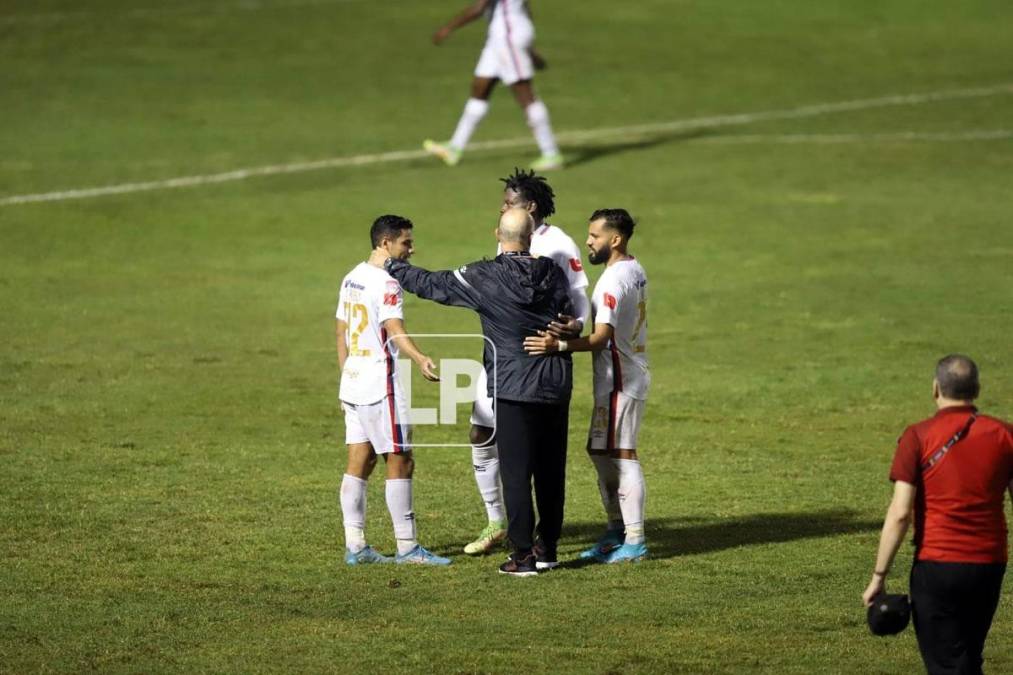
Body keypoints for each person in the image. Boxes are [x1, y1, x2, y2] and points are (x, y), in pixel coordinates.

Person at [385, 207, 573, 576]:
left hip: (514, 385)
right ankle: (547, 547)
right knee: (551, 471)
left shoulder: (486, 275)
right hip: (554, 381)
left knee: (516, 474)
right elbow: (567, 317)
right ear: (532, 236)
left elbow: (432, 285)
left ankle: (522, 558)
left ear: (497, 234)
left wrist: (393, 266)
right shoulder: (553, 272)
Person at [462, 168, 590, 557]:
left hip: (536, 360)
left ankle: (534, 537)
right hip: (502, 354)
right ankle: (498, 521)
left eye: (509, 201)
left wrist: (577, 324)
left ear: (530, 206)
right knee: (480, 431)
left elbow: (579, 292)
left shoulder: (559, 244)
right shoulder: (512, 236)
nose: (502, 206)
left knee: (532, 454)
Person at [862, 354, 1013, 673]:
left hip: (938, 565)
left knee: (946, 664)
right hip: (989, 563)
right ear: (978, 389)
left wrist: (879, 576)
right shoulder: (1004, 435)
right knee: (968, 656)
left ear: (935, 389)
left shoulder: (918, 436)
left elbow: (901, 513)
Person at [525, 208, 650, 563]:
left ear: (616, 239)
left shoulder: (613, 280)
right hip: (614, 377)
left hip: (622, 379)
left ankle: (636, 540)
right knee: (599, 451)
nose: (588, 242)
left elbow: (600, 339)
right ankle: (615, 530)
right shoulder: (633, 268)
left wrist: (558, 345)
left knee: (623, 454)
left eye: (594, 236)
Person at [336, 215, 451, 566]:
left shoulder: (352, 276)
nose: (412, 249)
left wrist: (347, 376)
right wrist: (418, 358)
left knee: (360, 462)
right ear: (385, 243)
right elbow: (394, 328)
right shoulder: (388, 281)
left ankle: (355, 546)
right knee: (401, 460)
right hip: (380, 385)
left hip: (354, 383)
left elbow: (340, 331)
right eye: (406, 242)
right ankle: (408, 548)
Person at [423, 0, 564, 171]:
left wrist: (448, 28)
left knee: (525, 94)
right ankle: (455, 147)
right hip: (501, 36)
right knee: (480, 89)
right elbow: (525, 7)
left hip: (508, 35)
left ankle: (551, 153)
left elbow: (480, 7)